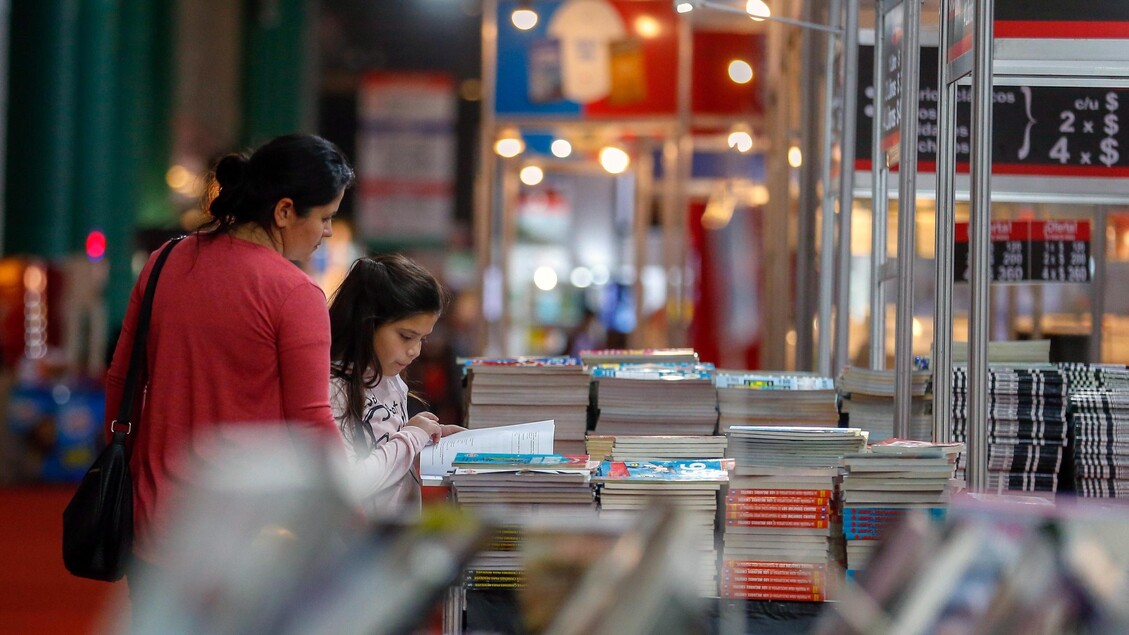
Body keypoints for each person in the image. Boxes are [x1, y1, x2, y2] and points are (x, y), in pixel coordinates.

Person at [103, 134, 355, 577]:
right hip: (247, 535)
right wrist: (358, 513)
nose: (328, 232)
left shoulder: (163, 261)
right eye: (326, 217)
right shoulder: (296, 294)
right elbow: (310, 423)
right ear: (284, 211)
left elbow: (122, 379)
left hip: (155, 524)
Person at [328, 254, 465, 517]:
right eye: (406, 336)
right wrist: (412, 437)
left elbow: (386, 454)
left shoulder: (390, 378)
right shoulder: (333, 388)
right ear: (367, 322)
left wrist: (427, 444)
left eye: (422, 339)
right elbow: (352, 483)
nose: (415, 351)